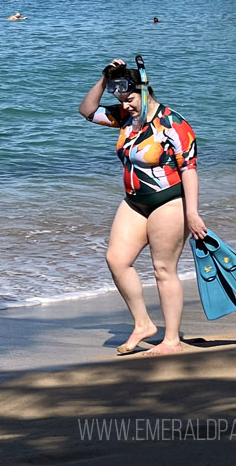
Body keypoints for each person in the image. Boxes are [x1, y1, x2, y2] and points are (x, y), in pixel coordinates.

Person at [78, 58, 207, 356]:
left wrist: (192, 213)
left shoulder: (173, 124)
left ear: (145, 90)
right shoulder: (125, 117)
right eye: (122, 99)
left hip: (170, 201)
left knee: (163, 269)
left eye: (131, 97)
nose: (128, 104)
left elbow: (189, 168)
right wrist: (103, 77)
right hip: (134, 202)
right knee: (117, 260)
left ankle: (172, 339)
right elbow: (86, 111)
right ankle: (143, 324)